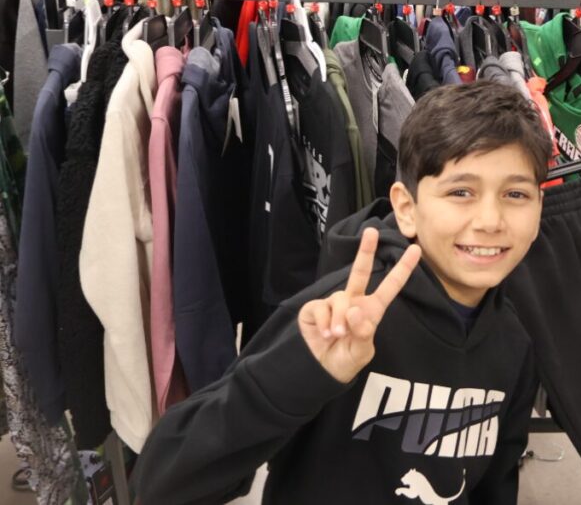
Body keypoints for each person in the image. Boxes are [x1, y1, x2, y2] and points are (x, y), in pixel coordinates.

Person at [133, 81, 549, 504]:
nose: (491, 220)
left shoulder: (516, 341)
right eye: (461, 192)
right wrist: (300, 373)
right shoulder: (338, 317)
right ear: (406, 208)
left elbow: (495, 484)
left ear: (538, 208)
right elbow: (163, 483)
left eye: (515, 194)